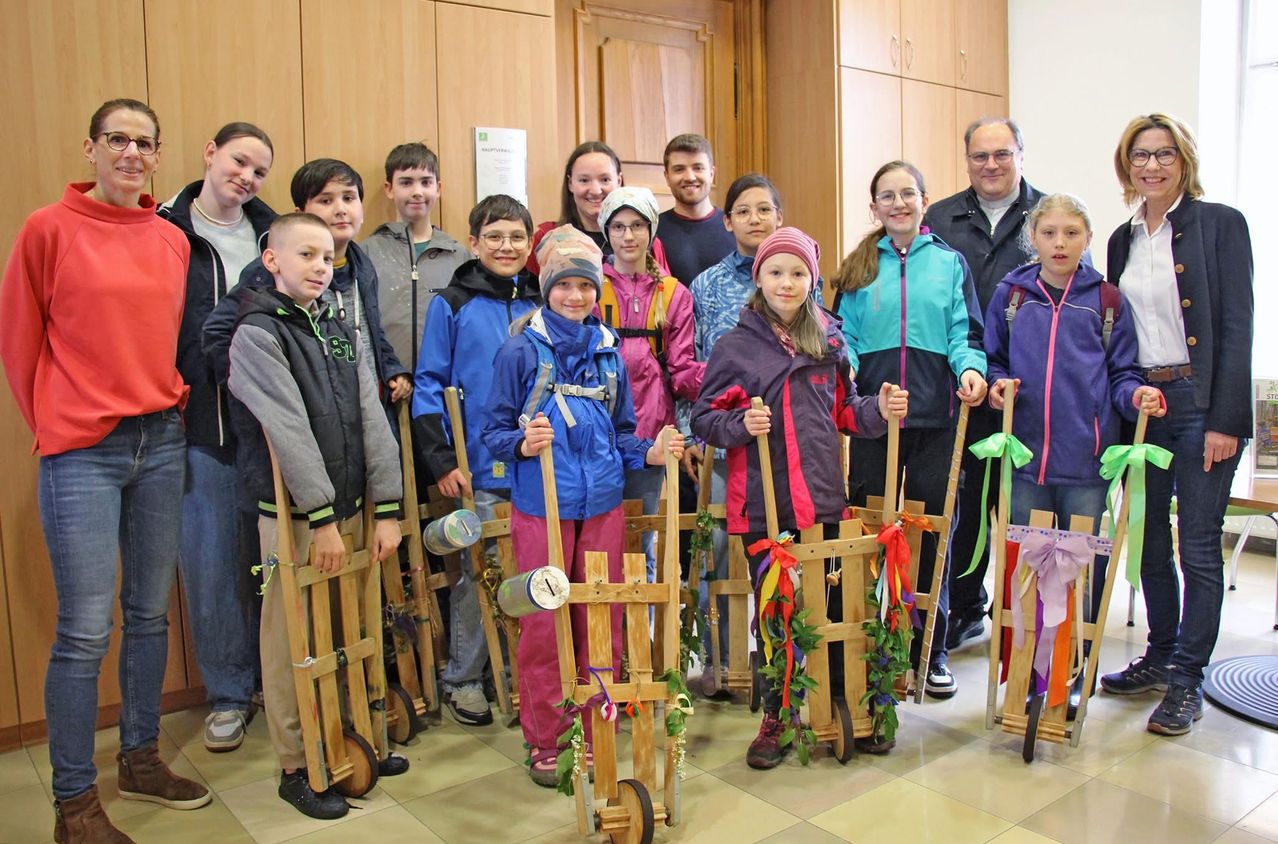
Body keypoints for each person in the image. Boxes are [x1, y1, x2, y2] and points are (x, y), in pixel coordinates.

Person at [0, 97, 211, 843]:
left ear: (158, 156)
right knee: (86, 630)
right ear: (89, 149)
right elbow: (20, 344)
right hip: (82, 452)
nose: (130, 153)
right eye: (116, 140)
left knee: (150, 615)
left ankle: (141, 759)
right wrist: (61, 421)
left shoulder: (169, 239)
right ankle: (74, 805)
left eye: (144, 143)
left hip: (159, 442)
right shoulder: (46, 230)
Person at [691, 227, 906, 768]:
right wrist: (741, 422)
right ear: (758, 278)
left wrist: (879, 411)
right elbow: (704, 418)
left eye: (798, 272)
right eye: (775, 272)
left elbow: (845, 412)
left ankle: (847, 703)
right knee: (778, 612)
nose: (786, 283)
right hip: (766, 503)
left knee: (834, 605)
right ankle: (779, 713)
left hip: (823, 498)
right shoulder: (735, 346)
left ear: (812, 279)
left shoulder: (829, 340)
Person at [482, 226, 684, 787]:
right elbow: (493, 430)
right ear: (546, 288)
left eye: (585, 286)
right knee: (546, 621)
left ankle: (597, 722)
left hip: (601, 504)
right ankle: (546, 737)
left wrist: (651, 449)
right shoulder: (520, 350)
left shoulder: (608, 351)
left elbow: (623, 433)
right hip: (540, 505)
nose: (576, 296)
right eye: (564, 285)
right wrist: (523, 444)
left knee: (602, 616)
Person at [227, 212, 408, 819]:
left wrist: (386, 509)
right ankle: (296, 762)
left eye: (327, 258)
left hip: (352, 505)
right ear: (271, 260)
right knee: (292, 639)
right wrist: (322, 520)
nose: (319, 267)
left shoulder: (337, 321)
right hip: (300, 518)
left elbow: (371, 416)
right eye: (304, 255)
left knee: (348, 626)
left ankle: (348, 738)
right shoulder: (257, 332)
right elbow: (289, 434)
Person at [1099, 114, 1254, 737]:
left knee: (1196, 542)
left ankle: (1190, 677)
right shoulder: (1121, 238)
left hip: (1201, 404)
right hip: (1145, 404)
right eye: (1140, 155)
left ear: (1183, 160)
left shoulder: (1220, 225)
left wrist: (1225, 420)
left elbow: (1239, 326)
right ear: (1126, 164)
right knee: (1149, 541)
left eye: (1164, 154)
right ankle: (1161, 654)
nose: (1152, 166)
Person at [833, 160, 988, 700]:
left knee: (929, 533)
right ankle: (872, 639)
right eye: (886, 196)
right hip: (875, 420)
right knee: (872, 526)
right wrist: (849, 370)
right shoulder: (857, 267)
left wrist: (970, 369)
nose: (898, 203)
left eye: (908, 194)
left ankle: (931, 649)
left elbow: (965, 333)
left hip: (936, 419)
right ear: (872, 207)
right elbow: (841, 336)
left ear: (925, 200)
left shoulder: (949, 263)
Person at [984, 193, 1164, 615]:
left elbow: (1123, 374)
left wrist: (1135, 397)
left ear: (1088, 238)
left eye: (1071, 233)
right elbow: (993, 358)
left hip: (1088, 464)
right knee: (1028, 567)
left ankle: (1079, 668)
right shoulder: (1012, 296)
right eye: (1049, 233)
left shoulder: (1106, 300)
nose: (1059, 243)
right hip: (1026, 461)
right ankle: (1029, 669)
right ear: (1034, 238)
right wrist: (995, 385)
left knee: (1082, 571)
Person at [159, 121, 277, 753]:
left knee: (271, 565)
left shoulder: (273, 234)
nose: (246, 177)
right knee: (211, 567)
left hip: (267, 427)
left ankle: (270, 681)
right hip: (200, 424)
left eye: (259, 171)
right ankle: (228, 694)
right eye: (238, 161)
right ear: (209, 153)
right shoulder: (166, 229)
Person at [411, 194, 541, 726]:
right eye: (494, 236)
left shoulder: (546, 296)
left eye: (516, 237)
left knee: (528, 572)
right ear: (473, 242)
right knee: (478, 570)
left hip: (536, 461)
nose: (506, 246)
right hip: (478, 462)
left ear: (530, 243)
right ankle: (463, 676)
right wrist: (442, 460)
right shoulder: (453, 301)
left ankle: (513, 671)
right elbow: (429, 384)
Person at [924, 117, 1048, 651]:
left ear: (1022, 154)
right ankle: (965, 605)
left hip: (1032, 391)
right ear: (967, 159)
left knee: (1022, 505)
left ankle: (1023, 614)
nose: (991, 165)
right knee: (966, 501)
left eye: (1002, 154)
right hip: (964, 388)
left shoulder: (1049, 216)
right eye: (980, 156)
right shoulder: (940, 217)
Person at [204, 158, 412, 415]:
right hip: (306, 418)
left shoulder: (363, 265)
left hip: (365, 412)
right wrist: (254, 393)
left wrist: (392, 368)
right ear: (300, 213)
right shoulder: (274, 268)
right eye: (326, 201)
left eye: (349, 198)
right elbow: (218, 331)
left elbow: (372, 332)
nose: (341, 209)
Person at [687, 173, 787, 692]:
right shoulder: (705, 285)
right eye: (743, 211)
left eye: (764, 210)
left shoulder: (794, 275)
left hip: (785, 445)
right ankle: (722, 660)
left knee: (779, 548)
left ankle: (779, 654)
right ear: (726, 222)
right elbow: (698, 367)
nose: (755, 219)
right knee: (721, 550)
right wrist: (697, 435)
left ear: (779, 218)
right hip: (726, 444)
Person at [598, 186, 704, 583]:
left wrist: (724, 374)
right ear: (606, 232)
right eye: (619, 226)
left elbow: (682, 370)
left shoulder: (673, 293)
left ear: (651, 231)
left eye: (638, 225)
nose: (628, 236)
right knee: (597, 537)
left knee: (641, 537)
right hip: (596, 435)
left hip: (649, 437)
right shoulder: (589, 286)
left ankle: (645, 638)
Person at [363, 142, 469, 371]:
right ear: (389, 189)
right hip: (388, 384)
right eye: (406, 182)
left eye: (425, 182)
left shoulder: (460, 256)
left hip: (442, 386)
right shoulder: (368, 252)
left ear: (438, 188)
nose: (417, 192)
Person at [657, 133, 735, 287]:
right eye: (679, 169)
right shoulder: (652, 231)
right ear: (666, 176)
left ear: (712, 173)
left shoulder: (735, 228)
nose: (690, 177)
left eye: (698, 168)